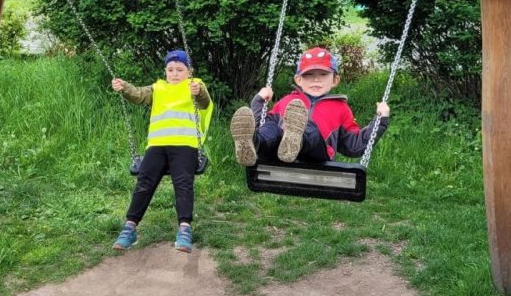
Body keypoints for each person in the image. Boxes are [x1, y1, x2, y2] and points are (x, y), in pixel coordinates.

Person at [110, 49, 213, 253]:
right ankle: (130, 227)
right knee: (144, 182)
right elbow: (138, 95)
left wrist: (199, 92)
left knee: (183, 183)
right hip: (157, 145)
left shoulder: (194, 86)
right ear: (165, 71)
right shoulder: (157, 88)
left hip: (185, 145)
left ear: (189, 71)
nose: (175, 74)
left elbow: (205, 102)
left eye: (180, 70)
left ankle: (184, 229)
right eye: (170, 69)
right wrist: (124, 87)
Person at [228, 46, 389, 167]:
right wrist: (258, 101)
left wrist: (380, 121)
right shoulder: (287, 101)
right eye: (309, 75)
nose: (316, 80)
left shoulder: (340, 108)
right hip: (279, 154)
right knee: (272, 129)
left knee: (309, 127)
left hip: (317, 157)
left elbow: (355, 146)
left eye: (323, 74)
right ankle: (253, 144)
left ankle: (296, 141)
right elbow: (264, 124)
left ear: (335, 80)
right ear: (299, 80)